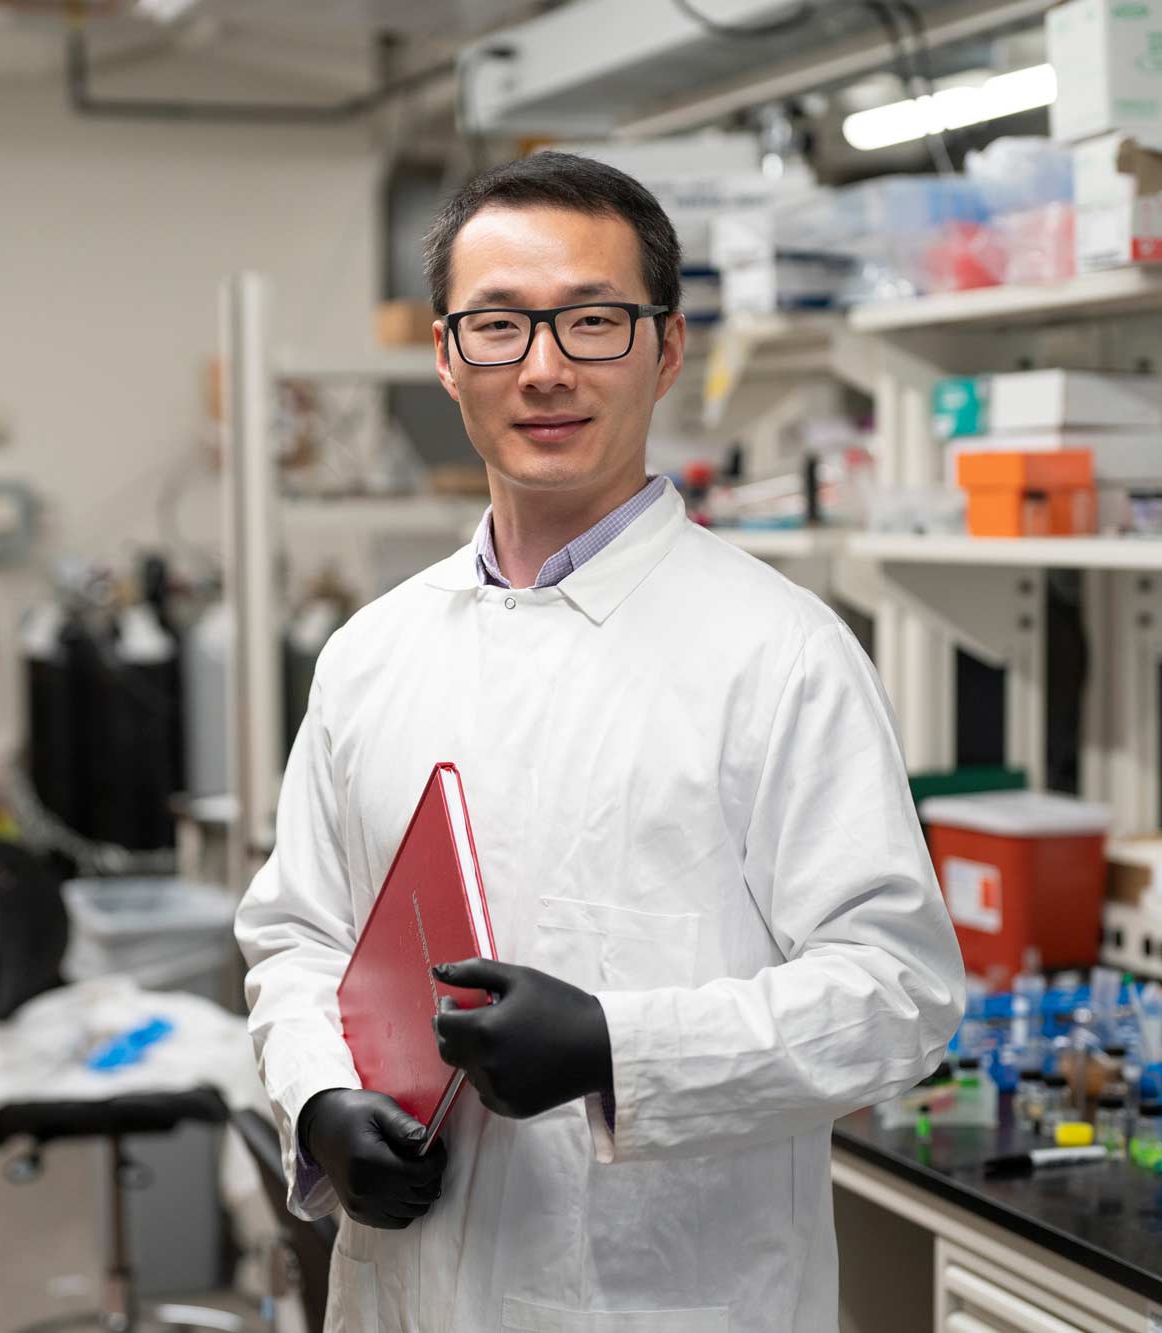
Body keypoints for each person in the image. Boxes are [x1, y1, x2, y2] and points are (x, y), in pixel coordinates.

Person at [234, 150, 964, 1333]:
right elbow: (297, 936)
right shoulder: (371, 653)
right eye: (498, 327)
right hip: (411, 1292)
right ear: (443, 355)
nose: (544, 369)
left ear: (665, 349)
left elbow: (895, 993)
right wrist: (318, 1098)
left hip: (672, 1298)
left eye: (591, 322)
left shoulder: (779, 653)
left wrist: (617, 1048)